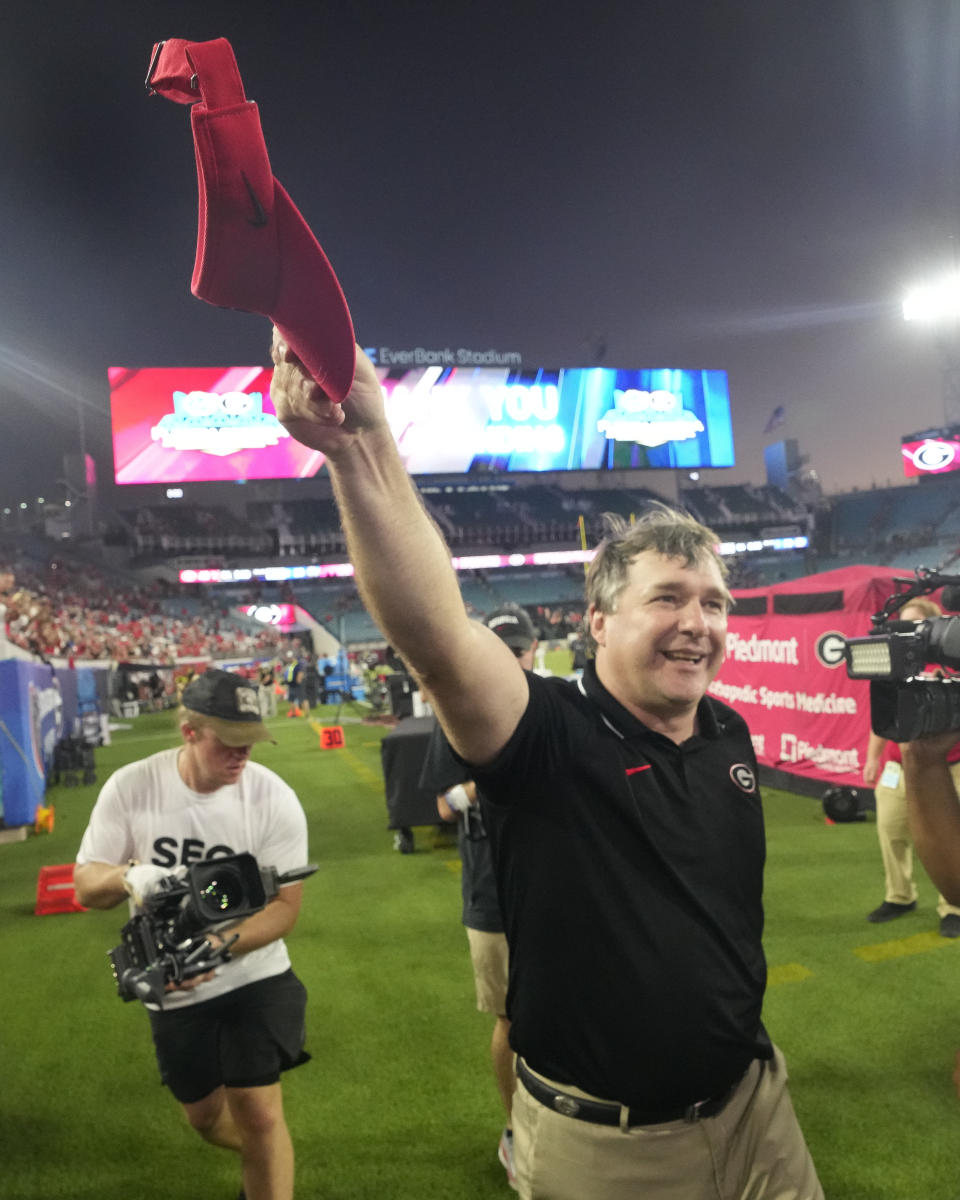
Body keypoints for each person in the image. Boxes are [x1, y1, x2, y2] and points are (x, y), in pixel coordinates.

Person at [270, 334, 822, 1200]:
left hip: (759, 1110)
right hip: (608, 1151)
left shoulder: (727, 734)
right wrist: (362, 447)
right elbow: (442, 641)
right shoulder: (548, 730)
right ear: (597, 622)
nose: (699, 622)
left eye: (714, 602)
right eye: (667, 599)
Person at [74, 668, 310, 1200]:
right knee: (203, 1118)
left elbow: (285, 910)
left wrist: (215, 948)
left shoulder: (273, 799)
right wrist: (129, 875)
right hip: (174, 990)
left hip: (254, 974)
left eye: (250, 742)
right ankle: (263, 1156)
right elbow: (85, 886)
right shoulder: (133, 787)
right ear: (189, 732)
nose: (243, 756)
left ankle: (266, 1161)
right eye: (229, 742)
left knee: (261, 1114)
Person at [419, 604, 539, 1191]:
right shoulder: (457, 714)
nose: (513, 658)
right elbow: (443, 805)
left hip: (558, 885)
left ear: (534, 650)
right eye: (503, 648)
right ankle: (516, 1130)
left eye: (520, 648)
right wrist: (490, 783)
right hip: (493, 890)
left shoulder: (553, 709)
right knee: (510, 1018)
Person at [862, 597, 960, 935]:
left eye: (916, 628)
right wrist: (874, 757)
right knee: (891, 831)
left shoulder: (949, 670)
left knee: (951, 837)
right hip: (898, 767)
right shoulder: (895, 676)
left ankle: (953, 907)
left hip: (951, 769)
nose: (906, 636)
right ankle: (899, 896)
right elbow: (885, 723)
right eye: (901, 627)